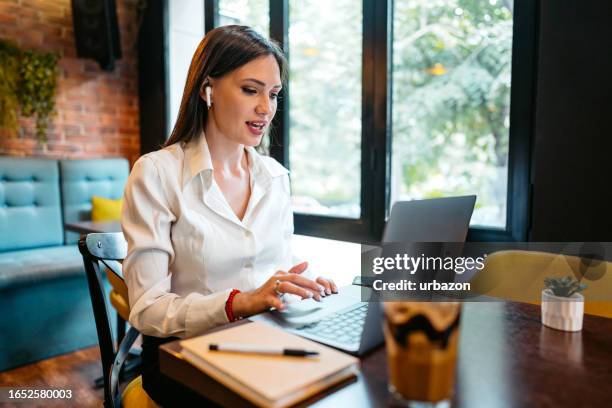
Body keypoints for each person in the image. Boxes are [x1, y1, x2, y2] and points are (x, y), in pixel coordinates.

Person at [121, 25, 338, 405]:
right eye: (250, 90)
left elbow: (276, 272)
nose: (266, 109)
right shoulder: (156, 173)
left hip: (261, 342)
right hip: (182, 357)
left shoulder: (275, 177)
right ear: (207, 89)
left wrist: (299, 286)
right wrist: (239, 302)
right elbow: (146, 310)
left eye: (273, 95)